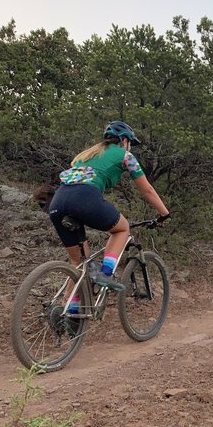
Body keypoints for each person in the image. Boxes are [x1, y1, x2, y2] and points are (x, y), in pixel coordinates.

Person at [48, 121, 170, 298]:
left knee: (79, 263)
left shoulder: (86, 155)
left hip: (58, 202)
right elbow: (147, 190)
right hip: (85, 198)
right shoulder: (126, 156)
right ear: (124, 140)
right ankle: (105, 274)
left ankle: (69, 313)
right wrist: (164, 214)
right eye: (131, 144)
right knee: (122, 228)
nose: (131, 148)